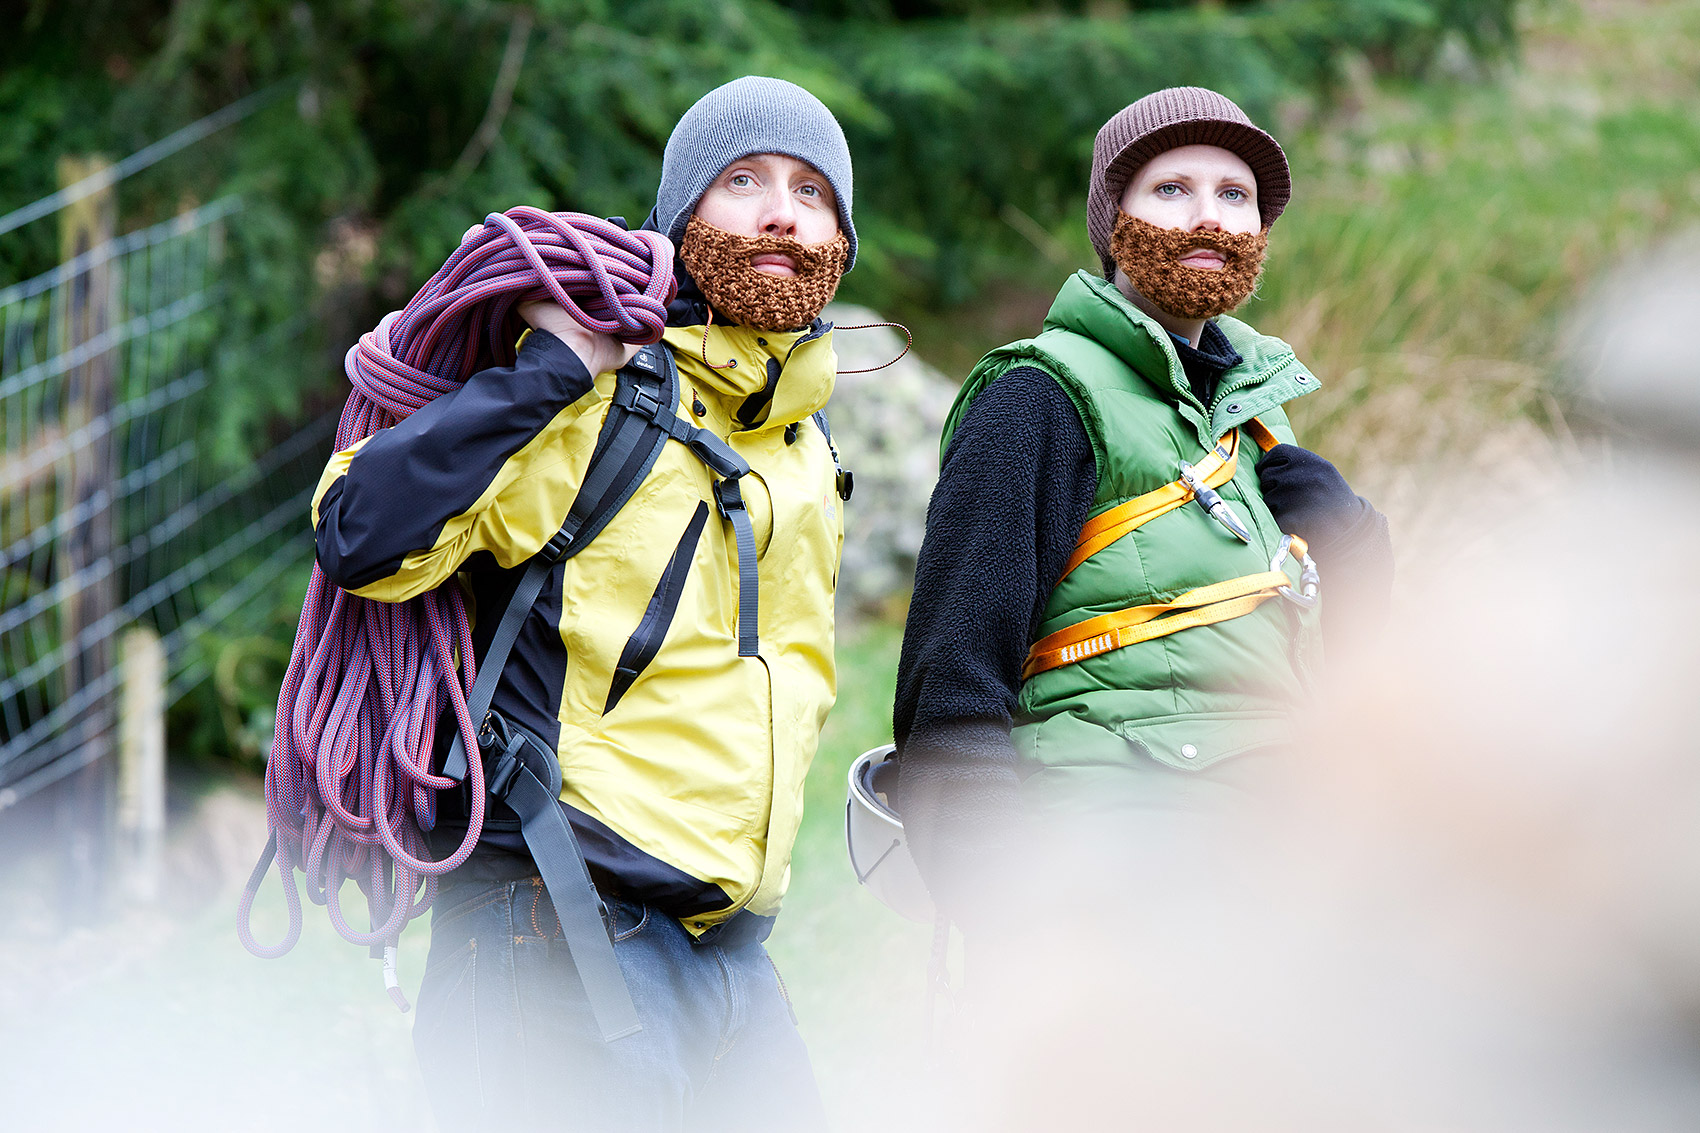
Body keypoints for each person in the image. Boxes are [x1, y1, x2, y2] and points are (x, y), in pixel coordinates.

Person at [310, 76, 855, 1131]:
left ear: (841, 235)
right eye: (740, 181)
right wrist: (546, 373)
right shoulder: (600, 398)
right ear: (678, 214)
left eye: (810, 191)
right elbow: (359, 535)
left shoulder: (800, 442)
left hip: (726, 952)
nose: (780, 211)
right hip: (554, 926)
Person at [892, 86, 1394, 932]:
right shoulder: (1038, 398)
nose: (1208, 217)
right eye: (1172, 190)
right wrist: (1006, 912)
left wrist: (1354, 545)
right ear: (1113, 220)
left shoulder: (1258, 421)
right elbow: (951, 686)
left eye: (1235, 196)